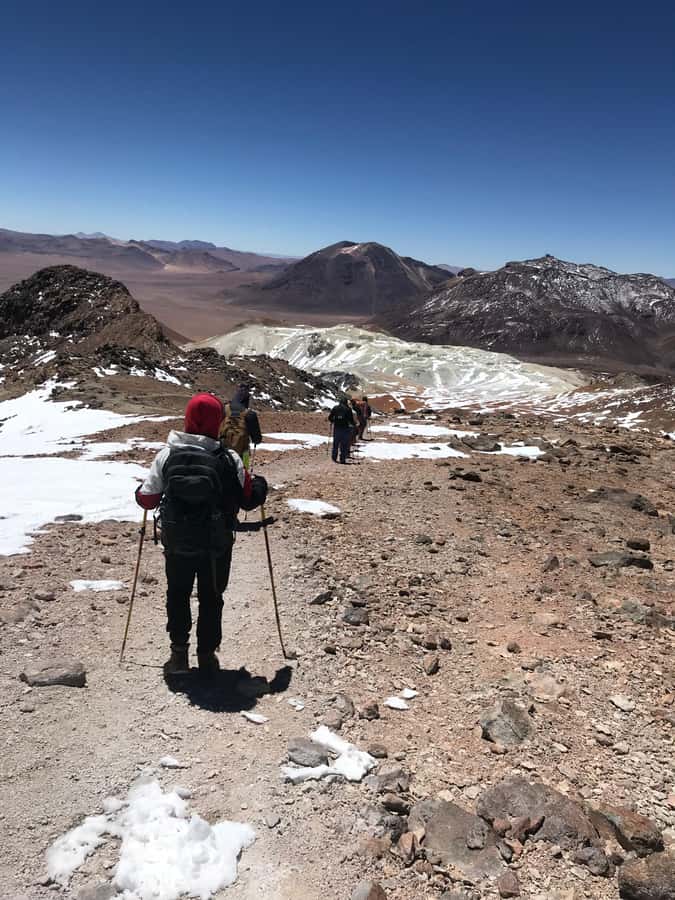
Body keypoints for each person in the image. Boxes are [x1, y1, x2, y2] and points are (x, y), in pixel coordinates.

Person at [135, 393, 267, 675]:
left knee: (178, 593)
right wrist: (260, 486)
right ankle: (207, 655)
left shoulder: (167, 454)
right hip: (215, 543)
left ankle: (179, 655)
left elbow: (147, 500)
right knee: (211, 597)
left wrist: (140, 492)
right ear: (217, 421)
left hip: (178, 541)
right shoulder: (228, 457)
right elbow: (247, 499)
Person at [219, 383, 262, 469]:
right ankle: (245, 477)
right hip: (243, 451)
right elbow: (257, 439)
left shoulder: (223, 409)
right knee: (244, 469)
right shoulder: (250, 414)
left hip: (223, 450)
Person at [328, 396, 355, 464]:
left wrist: (334, 421)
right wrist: (353, 425)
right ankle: (342, 459)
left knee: (336, 444)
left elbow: (330, 417)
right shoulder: (348, 409)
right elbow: (351, 420)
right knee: (344, 444)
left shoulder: (335, 408)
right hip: (345, 429)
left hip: (337, 428)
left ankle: (334, 458)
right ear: (346, 402)